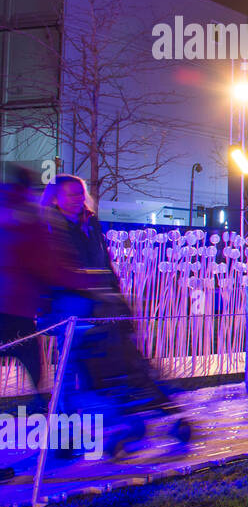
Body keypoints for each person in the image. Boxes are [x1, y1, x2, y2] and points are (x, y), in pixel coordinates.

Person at [40, 174, 192, 455]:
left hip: (102, 305)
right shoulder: (51, 227)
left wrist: (116, 295)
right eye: (69, 194)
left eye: (79, 194)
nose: (75, 199)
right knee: (70, 370)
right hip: (72, 307)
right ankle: (64, 432)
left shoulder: (89, 223)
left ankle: (120, 417)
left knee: (110, 364)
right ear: (56, 198)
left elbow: (105, 263)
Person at [0, 168, 88, 412]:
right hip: (17, 307)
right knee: (34, 367)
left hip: (13, 304)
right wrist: (82, 282)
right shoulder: (32, 220)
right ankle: (52, 424)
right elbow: (46, 265)